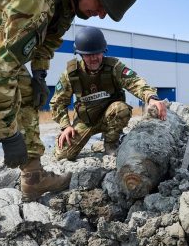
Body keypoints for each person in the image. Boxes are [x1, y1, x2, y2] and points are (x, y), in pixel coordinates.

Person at [0, 0, 142, 201]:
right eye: (102, 4)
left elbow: (48, 39)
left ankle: (33, 178)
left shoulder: (65, 2)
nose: (102, 14)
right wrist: (8, 136)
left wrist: (39, 73)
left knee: (26, 91)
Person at [50, 26, 167, 160]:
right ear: (81, 55)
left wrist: (151, 97)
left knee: (120, 109)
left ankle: (111, 143)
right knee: (63, 155)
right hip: (86, 120)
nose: (94, 58)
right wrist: (66, 126)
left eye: (97, 53)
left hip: (111, 115)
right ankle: (96, 144)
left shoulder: (114, 67)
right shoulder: (71, 75)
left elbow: (134, 82)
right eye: (88, 55)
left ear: (103, 51)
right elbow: (57, 103)